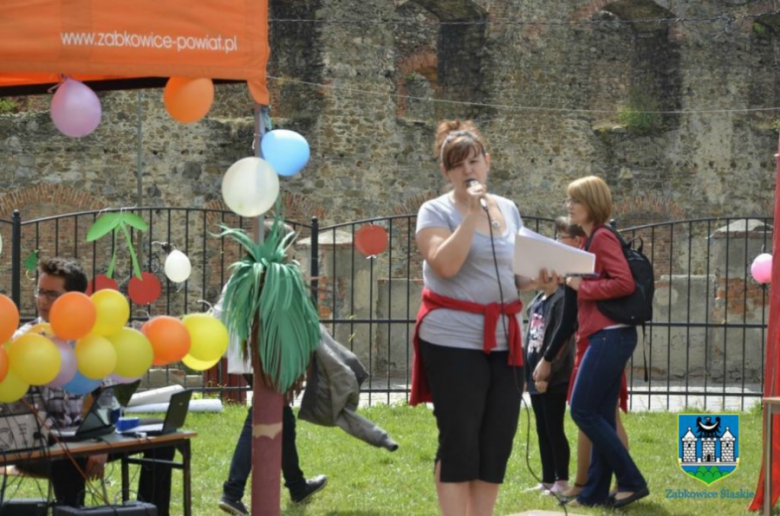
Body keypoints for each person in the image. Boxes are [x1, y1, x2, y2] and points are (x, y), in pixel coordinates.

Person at [410, 119, 545, 516]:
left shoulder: (509, 208)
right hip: (452, 339)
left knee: (497, 440)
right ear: (446, 172)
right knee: (460, 440)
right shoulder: (434, 211)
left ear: (487, 162)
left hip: (505, 340)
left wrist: (540, 278)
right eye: (457, 165)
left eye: (474, 161)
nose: (468, 170)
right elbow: (446, 265)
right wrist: (471, 213)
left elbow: (514, 275)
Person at [13, 257, 174, 512]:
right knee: (66, 457)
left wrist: (101, 442)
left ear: (74, 299)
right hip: (45, 445)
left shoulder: (92, 338)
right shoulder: (25, 342)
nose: (42, 300)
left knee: (163, 441)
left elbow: (108, 395)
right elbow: (31, 415)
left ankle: (150, 510)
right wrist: (79, 445)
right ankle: (71, 509)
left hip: (87, 439)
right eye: (40, 291)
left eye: (52, 294)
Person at [216, 220, 327, 516]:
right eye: (290, 245)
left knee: (283, 421)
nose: (293, 253)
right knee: (260, 418)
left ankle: (297, 485)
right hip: (268, 360)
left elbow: (219, 314)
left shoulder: (245, 274)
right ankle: (233, 491)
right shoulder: (271, 275)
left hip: (253, 359)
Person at [561, 176, 648, 509]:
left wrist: (580, 287)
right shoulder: (589, 240)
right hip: (605, 335)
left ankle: (631, 480)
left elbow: (623, 283)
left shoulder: (601, 237)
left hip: (610, 336)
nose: (569, 206)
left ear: (592, 204)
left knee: (582, 409)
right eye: (568, 200)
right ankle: (595, 492)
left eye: (575, 200)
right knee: (599, 413)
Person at [524, 217, 582, 496]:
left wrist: (548, 373)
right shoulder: (537, 302)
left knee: (554, 428)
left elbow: (560, 342)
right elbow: (531, 341)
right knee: (541, 429)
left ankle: (562, 479)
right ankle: (547, 478)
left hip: (553, 377)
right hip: (535, 375)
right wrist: (528, 374)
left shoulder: (560, 301)